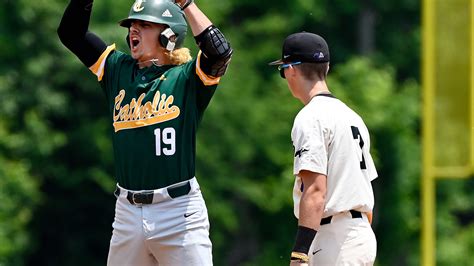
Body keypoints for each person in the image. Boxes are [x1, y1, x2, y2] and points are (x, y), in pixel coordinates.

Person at [57, 0, 232, 265]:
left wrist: (186, 4)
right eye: (131, 25)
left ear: (168, 35)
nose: (133, 31)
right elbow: (71, 34)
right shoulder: (117, 70)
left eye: (144, 25)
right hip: (127, 212)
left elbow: (219, 52)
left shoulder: (186, 78)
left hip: (179, 212)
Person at [269, 32, 377, 265]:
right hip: (359, 235)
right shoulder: (352, 117)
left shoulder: (311, 117)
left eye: (283, 69)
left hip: (335, 238)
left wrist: (299, 254)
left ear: (292, 69)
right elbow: (365, 189)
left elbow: (316, 190)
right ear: (326, 68)